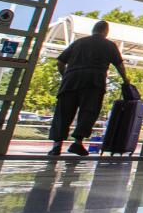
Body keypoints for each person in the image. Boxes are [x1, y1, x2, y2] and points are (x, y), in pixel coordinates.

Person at [48, 20, 129, 157]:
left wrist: (66, 75)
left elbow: (61, 62)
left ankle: (56, 146)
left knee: (63, 113)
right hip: (94, 81)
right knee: (88, 111)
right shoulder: (109, 45)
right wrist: (125, 79)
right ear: (105, 31)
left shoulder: (78, 43)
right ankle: (77, 142)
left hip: (70, 81)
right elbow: (119, 65)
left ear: (93, 30)